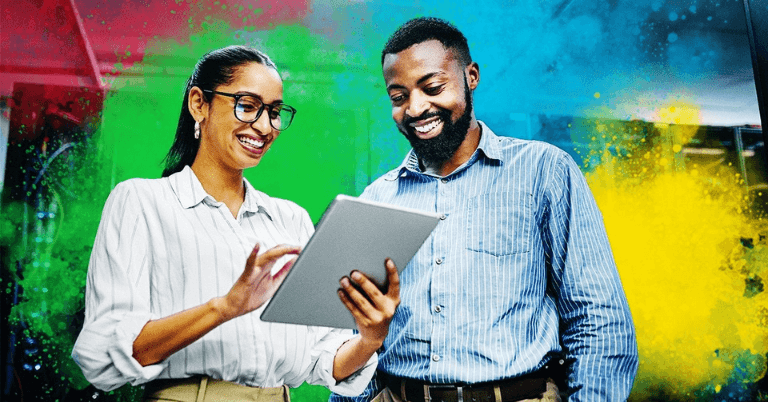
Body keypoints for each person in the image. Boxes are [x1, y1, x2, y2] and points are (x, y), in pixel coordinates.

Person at [329, 17, 638, 402]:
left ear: (470, 76)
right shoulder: (377, 198)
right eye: (398, 96)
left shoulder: (544, 171)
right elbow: (359, 334)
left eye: (432, 87)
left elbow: (598, 322)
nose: (415, 108)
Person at [71, 45, 401, 401]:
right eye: (247, 106)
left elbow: (322, 360)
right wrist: (225, 307)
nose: (264, 126)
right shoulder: (142, 203)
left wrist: (370, 337)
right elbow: (104, 357)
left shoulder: (291, 220)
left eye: (274, 112)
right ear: (199, 104)